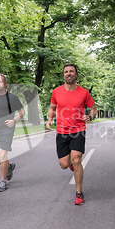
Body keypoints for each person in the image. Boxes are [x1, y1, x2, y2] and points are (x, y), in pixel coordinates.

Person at [47, 64, 96, 205]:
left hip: (78, 130)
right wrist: (50, 119)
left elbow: (93, 108)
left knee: (76, 160)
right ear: (64, 75)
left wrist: (90, 116)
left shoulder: (84, 92)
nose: (68, 74)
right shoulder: (56, 92)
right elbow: (52, 107)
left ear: (76, 74)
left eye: (71, 71)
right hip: (61, 131)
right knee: (64, 164)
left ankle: (79, 192)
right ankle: (71, 165)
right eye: (66, 72)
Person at [0, 73, 25, 192]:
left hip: (7, 129)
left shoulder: (12, 97)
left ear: (5, 83)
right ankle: (9, 166)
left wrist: (14, 120)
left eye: (0, 82)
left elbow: (22, 111)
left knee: (2, 154)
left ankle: (3, 181)